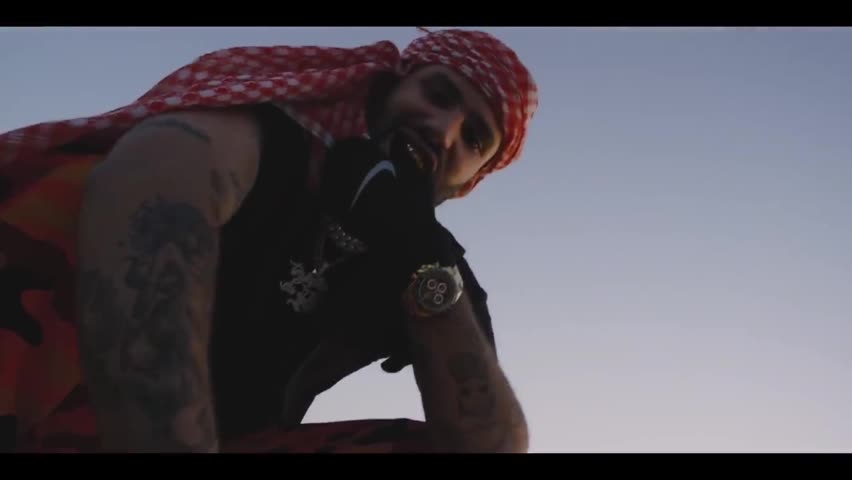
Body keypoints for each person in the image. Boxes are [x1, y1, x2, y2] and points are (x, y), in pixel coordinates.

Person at [0, 28, 538, 453]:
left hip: (234, 437)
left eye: (474, 138)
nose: (442, 131)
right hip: (65, 394)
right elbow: (149, 174)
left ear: (469, 182)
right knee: (70, 191)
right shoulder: (278, 141)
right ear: (389, 89)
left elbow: (492, 442)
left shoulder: (436, 266)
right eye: (437, 95)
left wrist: (415, 249)